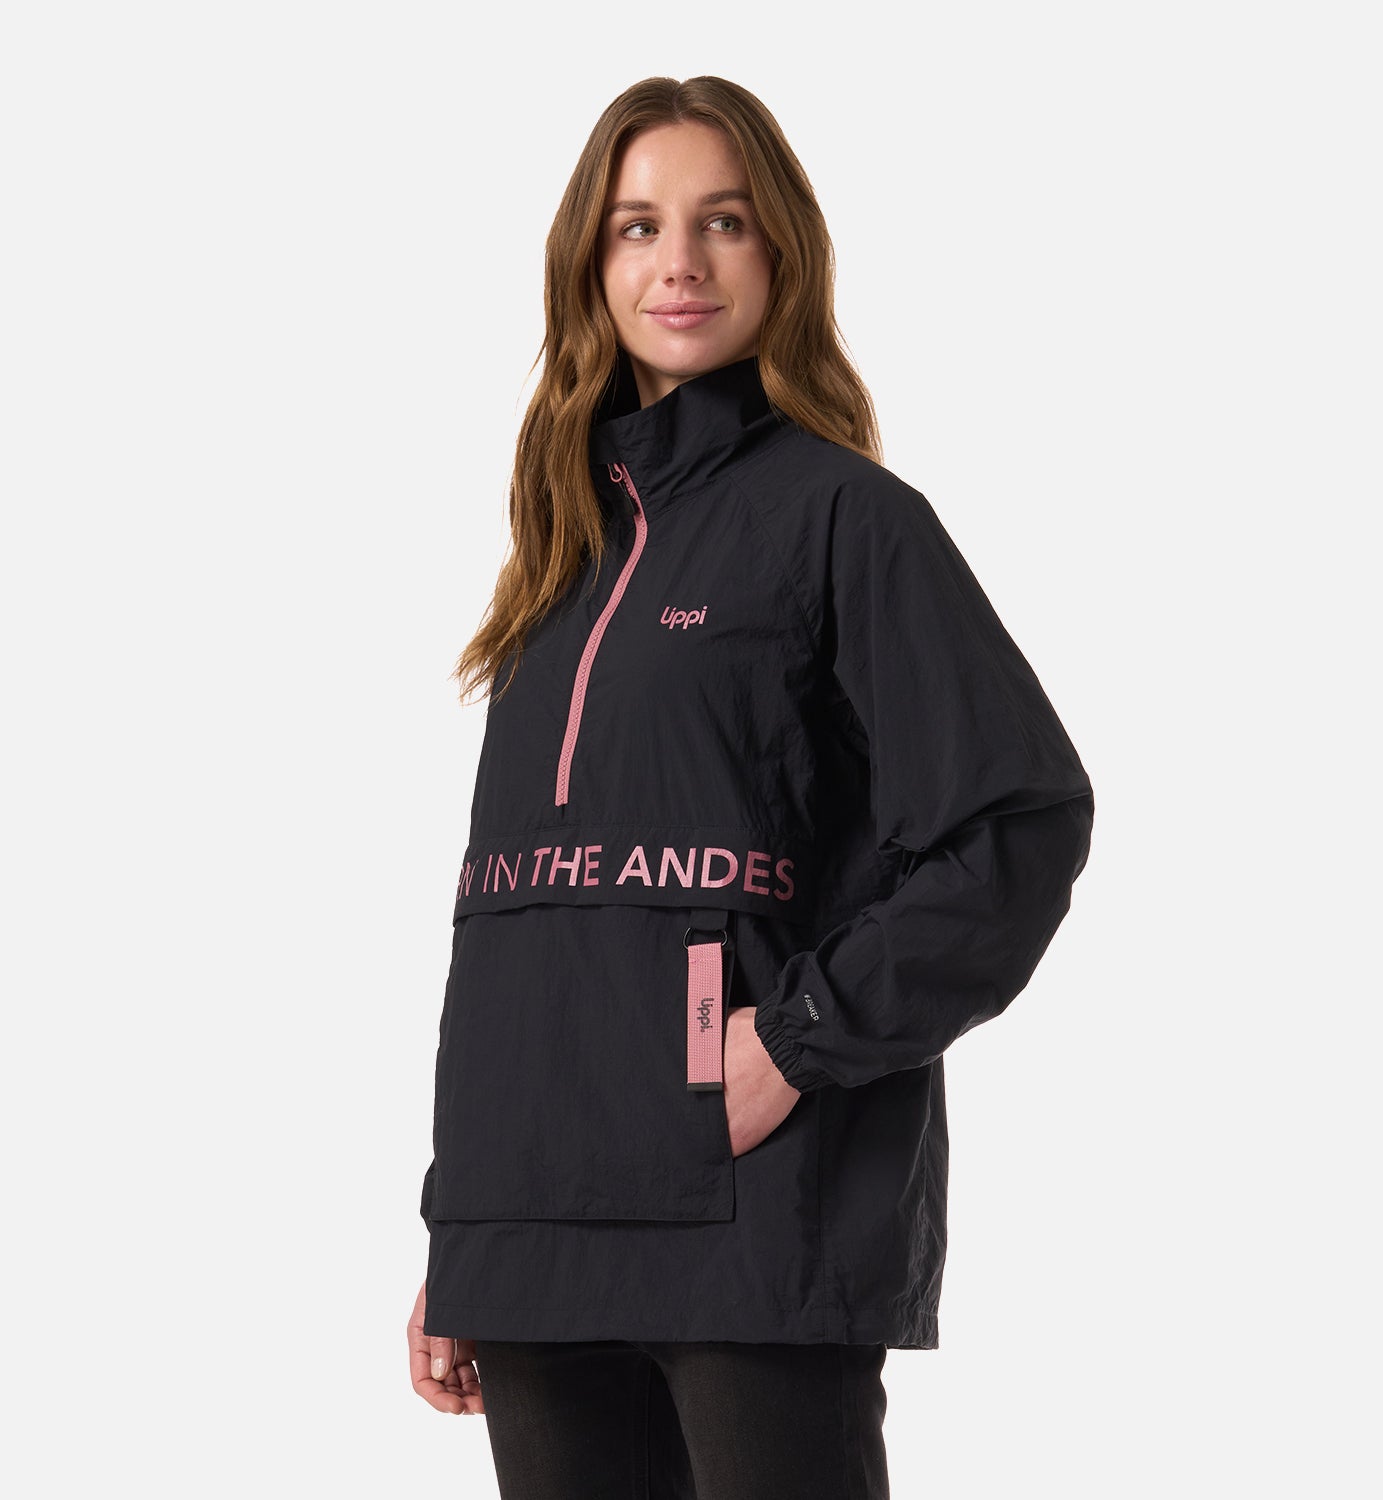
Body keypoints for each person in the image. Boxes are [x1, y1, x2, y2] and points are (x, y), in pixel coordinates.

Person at [405, 74, 1095, 1499]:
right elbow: (518, 927)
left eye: (722, 222)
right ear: (589, 265)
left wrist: (799, 1038)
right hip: (533, 1239)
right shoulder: (555, 563)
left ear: (781, 251)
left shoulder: (848, 520)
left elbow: (1015, 825)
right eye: (638, 226)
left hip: (753, 1217)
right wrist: (463, 1235)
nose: (680, 261)